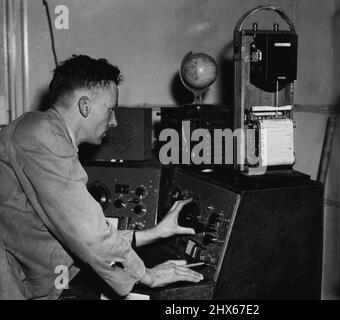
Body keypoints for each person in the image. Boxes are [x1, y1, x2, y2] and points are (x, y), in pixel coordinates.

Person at [0, 55, 203, 300]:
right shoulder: (41, 136)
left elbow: (81, 233)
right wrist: (149, 276)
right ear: (85, 106)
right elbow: (89, 234)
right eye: (111, 110)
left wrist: (157, 232)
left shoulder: (45, 135)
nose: (115, 121)